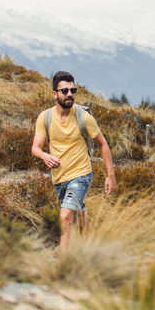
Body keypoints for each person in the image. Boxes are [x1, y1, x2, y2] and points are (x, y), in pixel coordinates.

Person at [31, 71, 116, 248]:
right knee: (79, 217)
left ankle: (64, 262)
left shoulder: (83, 117)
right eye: (65, 91)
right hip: (59, 178)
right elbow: (35, 148)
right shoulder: (45, 117)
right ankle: (98, 249)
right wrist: (45, 156)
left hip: (81, 175)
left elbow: (103, 144)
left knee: (65, 216)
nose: (70, 94)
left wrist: (110, 175)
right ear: (55, 94)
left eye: (73, 90)